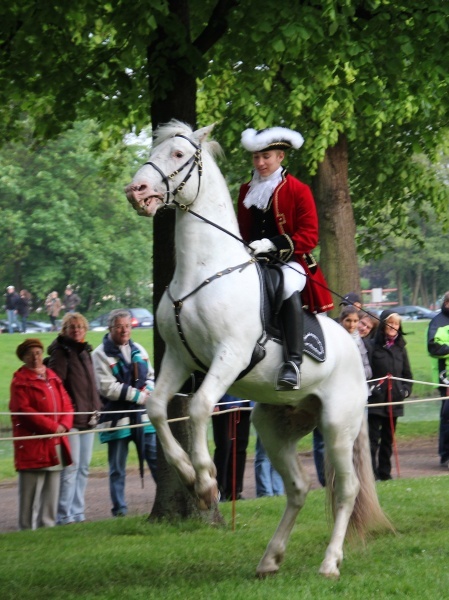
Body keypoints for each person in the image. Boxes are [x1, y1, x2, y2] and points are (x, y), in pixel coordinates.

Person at [237, 126, 334, 391]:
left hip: (290, 260)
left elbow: (309, 236)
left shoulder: (298, 190)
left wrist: (271, 244)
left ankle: (292, 362)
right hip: (254, 259)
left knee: (289, 286)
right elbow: (242, 231)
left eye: (265, 157)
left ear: (280, 156)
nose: (260, 163)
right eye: (256, 158)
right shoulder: (246, 189)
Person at [92, 309, 157, 517]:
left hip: (143, 418)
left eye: (127, 326)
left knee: (156, 460)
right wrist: (139, 396)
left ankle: (166, 500)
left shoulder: (139, 349)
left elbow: (151, 376)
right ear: (111, 328)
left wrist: (147, 390)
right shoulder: (99, 354)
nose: (124, 330)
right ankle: (119, 509)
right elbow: (107, 387)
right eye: (119, 326)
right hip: (116, 418)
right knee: (117, 467)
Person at [9, 338, 73, 530]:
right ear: (23, 358)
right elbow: (24, 411)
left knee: (51, 491)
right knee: (30, 493)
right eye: (30, 354)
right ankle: (27, 530)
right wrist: (53, 427)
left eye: (38, 353)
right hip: (32, 444)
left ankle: (47, 527)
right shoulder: (20, 381)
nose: (35, 357)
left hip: (55, 444)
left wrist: (64, 425)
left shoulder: (52, 377)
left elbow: (68, 405)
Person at [47, 312, 102, 524]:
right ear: (65, 330)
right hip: (70, 420)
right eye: (72, 327)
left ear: (85, 329)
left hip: (89, 418)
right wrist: (67, 410)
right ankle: (64, 514)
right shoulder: (61, 352)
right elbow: (55, 384)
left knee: (84, 467)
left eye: (79, 326)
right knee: (71, 467)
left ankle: (78, 511)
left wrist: (97, 406)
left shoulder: (85, 351)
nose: (76, 330)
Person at [367, 310, 413, 481]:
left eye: (396, 324)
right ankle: (370, 474)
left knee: (388, 439)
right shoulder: (372, 346)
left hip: (395, 400)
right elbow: (367, 373)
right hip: (376, 401)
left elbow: (407, 375)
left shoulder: (401, 348)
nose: (394, 327)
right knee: (373, 440)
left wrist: (405, 390)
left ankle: (385, 473)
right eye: (390, 323)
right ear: (383, 325)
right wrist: (373, 388)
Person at [212, 393, 251, 501]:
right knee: (224, 448)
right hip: (224, 403)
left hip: (245, 403)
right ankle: (220, 491)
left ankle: (235, 491)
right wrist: (214, 403)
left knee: (241, 447)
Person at [427, 291, 449, 467]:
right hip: (446, 378)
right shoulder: (437, 322)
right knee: (447, 417)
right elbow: (433, 347)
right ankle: (446, 455)